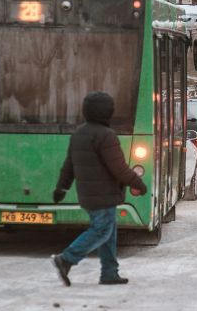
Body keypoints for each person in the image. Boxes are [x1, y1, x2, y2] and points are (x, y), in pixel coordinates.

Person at [51, 91, 147, 286]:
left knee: (108, 233)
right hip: (103, 195)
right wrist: (139, 184)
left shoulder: (79, 133)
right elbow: (119, 168)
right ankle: (66, 259)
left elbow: (69, 165)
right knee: (101, 230)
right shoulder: (106, 136)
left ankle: (109, 273)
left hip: (89, 193)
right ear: (107, 112)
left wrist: (61, 188)